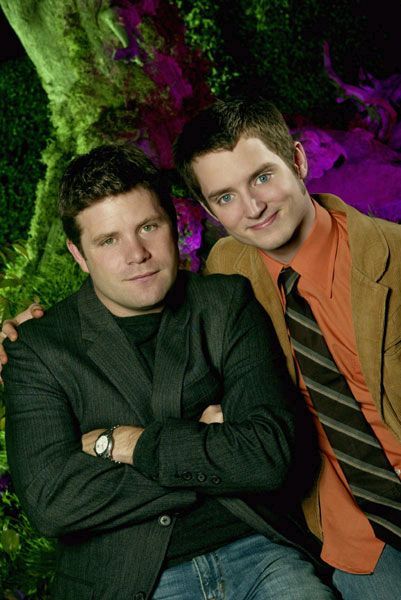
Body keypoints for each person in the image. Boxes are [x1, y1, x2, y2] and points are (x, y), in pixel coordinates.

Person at [1, 143, 334, 600]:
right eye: (108, 240)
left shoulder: (224, 303)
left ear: (174, 224)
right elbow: (52, 503)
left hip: (256, 552)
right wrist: (204, 449)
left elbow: (267, 455)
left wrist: (125, 444)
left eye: (148, 227)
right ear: (79, 255)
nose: (136, 253)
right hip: (128, 576)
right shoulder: (38, 347)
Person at [172, 97, 401, 600]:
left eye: (261, 177)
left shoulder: (393, 257)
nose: (253, 208)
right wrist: (31, 337)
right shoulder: (228, 269)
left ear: (298, 160)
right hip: (360, 539)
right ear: (209, 211)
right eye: (225, 197)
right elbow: (141, 309)